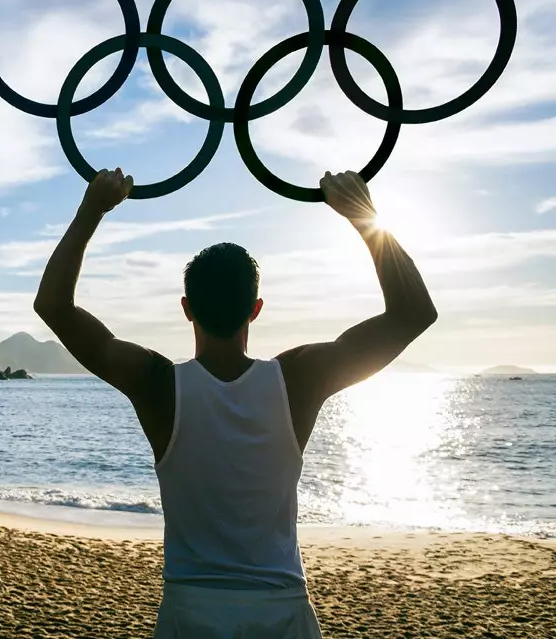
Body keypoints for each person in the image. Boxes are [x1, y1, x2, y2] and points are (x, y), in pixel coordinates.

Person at [33, 168, 437, 639]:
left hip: (191, 608)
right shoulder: (297, 380)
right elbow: (414, 313)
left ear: (186, 308)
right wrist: (361, 213)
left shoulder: (158, 385)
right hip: (280, 607)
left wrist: (92, 208)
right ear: (256, 309)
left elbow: (54, 306)